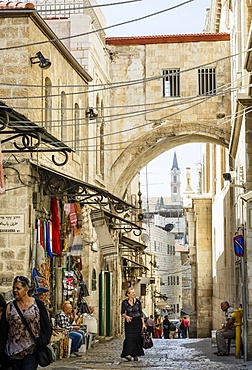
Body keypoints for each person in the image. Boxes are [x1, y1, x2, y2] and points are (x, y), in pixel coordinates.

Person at [0, 276, 52, 370]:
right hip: (13, 352)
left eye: (18, 288)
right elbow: (3, 331)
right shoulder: (9, 307)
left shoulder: (37, 305)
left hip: (31, 350)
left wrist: (42, 341)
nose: (15, 290)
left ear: (26, 289)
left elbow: (46, 326)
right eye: (14, 288)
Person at [121, 287, 145, 362]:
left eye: (134, 292)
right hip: (129, 322)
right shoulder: (124, 302)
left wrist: (143, 324)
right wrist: (126, 317)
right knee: (129, 338)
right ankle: (128, 354)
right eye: (132, 293)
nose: (134, 294)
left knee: (137, 338)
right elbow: (122, 313)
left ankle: (135, 354)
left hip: (137, 322)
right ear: (128, 294)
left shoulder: (138, 302)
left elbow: (141, 313)